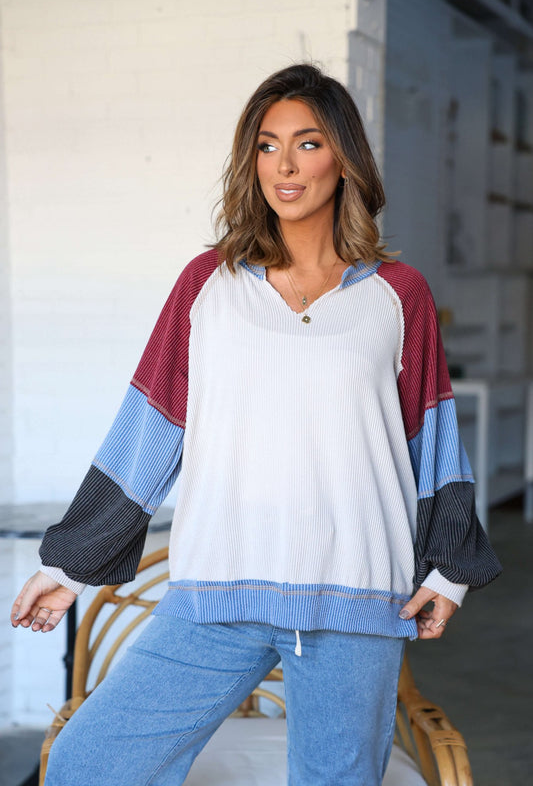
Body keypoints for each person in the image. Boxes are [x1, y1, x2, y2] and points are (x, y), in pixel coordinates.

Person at [11, 64, 501, 786]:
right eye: (267, 145)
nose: (284, 165)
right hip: (217, 588)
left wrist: (450, 571)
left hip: (355, 598)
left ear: (344, 158)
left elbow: (432, 442)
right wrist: (69, 565)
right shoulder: (206, 285)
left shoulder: (399, 295)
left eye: (306, 143)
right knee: (90, 762)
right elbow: (149, 431)